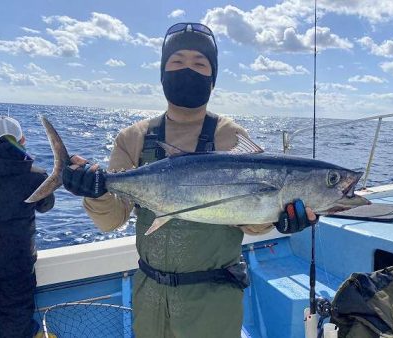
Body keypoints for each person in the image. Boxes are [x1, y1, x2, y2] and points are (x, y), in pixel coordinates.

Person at [62, 23, 317, 338]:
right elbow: (112, 220)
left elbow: (250, 224)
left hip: (213, 297)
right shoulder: (134, 138)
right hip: (150, 293)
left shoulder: (231, 136)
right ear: (163, 73)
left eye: (199, 64)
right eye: (177, 62)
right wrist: (97, 192)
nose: (187, 70)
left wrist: (279, 218)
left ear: (212, 79)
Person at [0, 116, 55, 338]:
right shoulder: (36, 175)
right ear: (22, 140)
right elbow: (46, 206)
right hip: (17, 266)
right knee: (16, 328)